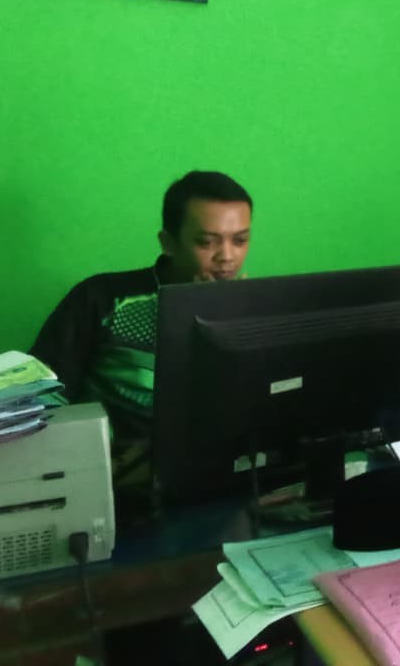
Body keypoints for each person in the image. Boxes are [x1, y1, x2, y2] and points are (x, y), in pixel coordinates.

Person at [32, 171, 253, 519]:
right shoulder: (103, 299)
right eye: (206, 242)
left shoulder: (257, 310)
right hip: (112, 501)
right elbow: (38, 401)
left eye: (240, 240)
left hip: (227, 497)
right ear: (168, 242)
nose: (227, 257)